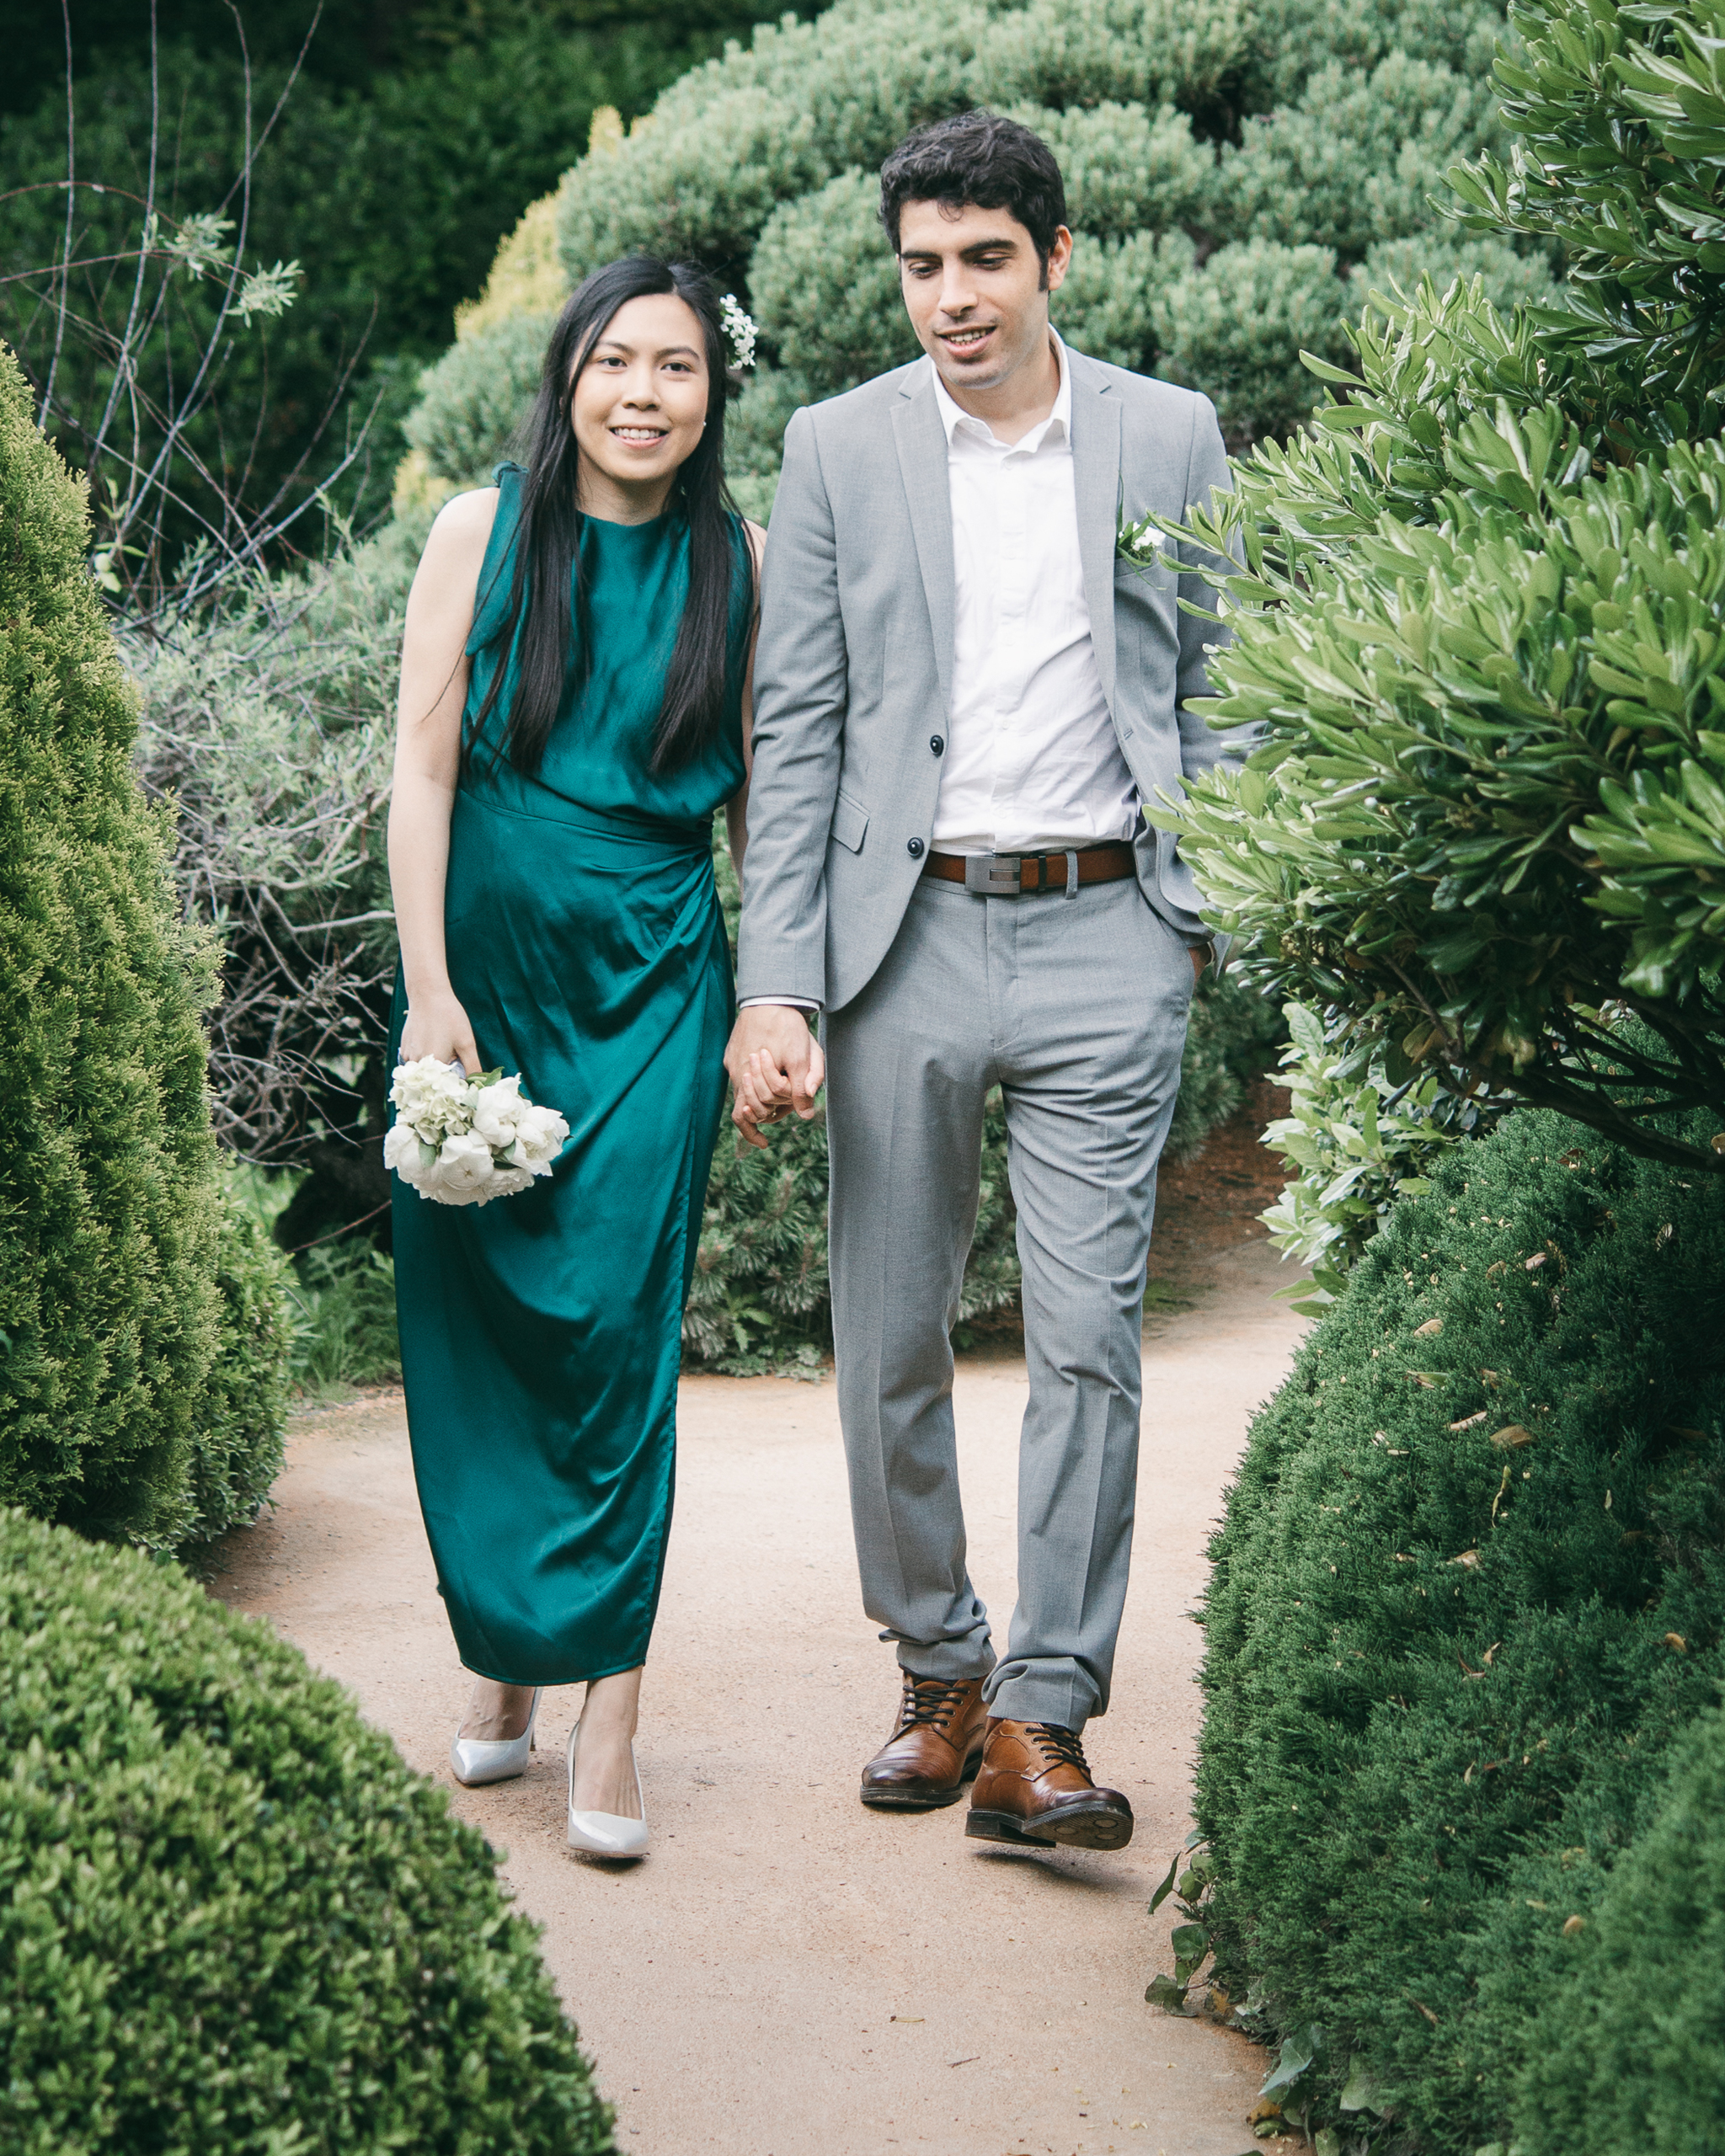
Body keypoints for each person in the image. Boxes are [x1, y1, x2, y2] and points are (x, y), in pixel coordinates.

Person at [726, 111, 1240, 1852]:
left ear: (1054, 259)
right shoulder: (834, 447)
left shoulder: (1168, 435)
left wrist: (1206, 902)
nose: (949, 296)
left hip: (1112, 928)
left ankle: (1042, 1716)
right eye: (922, 266)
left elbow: (1226, 682)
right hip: (904, 940)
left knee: (1090, 1342)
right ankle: (938, 1661)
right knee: (888, 1332)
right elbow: (791, 731)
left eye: (983, 260)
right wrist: (775, 982)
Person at [387, 255, 761, 1860]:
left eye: (676, 369)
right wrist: (427, 992)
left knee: (615, 1337)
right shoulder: (482, 531)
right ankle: (504, 1666)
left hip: (658, 981)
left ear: (711, 394)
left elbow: (765, 797)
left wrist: (777, 1002)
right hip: (488, 985)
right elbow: (417, 766)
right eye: (616, 362)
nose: (643, 395)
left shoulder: (737, 558)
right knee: (479, 1334)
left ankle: (611, 1707)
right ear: (568, 373)